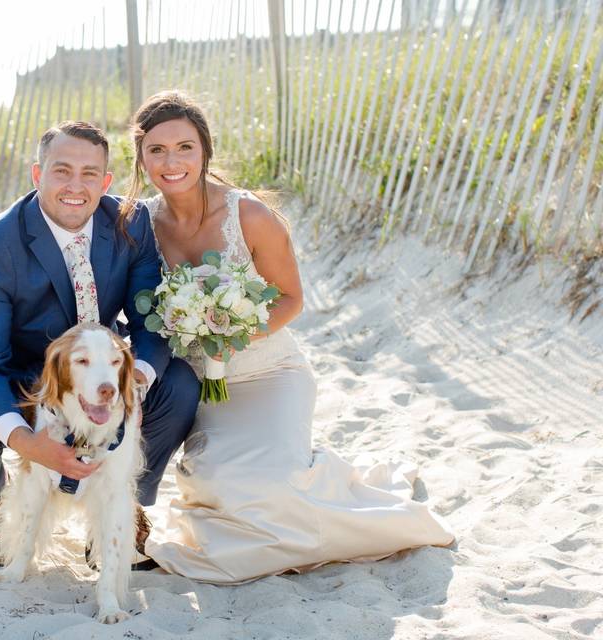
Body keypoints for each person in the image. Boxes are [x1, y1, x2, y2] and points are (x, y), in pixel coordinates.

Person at [120, 91, 454, 584]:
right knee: (220, 482)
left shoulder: (249, 215)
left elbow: (291, 299)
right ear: (142, 157)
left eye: (185, 147)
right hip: (198, 384)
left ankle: (347, 495)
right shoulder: (139, 223)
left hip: (268, 372)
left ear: (205, 150)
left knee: (274, 485)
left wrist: (231, 333)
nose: (172, 162)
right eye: (157, 150)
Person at [0, 121, 200, 556]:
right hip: (17, 372)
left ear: (105, 181)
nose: (76, 185)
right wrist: (29, 443)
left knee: (180, 385)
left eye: (90, 173)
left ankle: (123, 499)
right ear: (38, 175)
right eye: (62, 171)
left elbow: (151, 320)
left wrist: (136, 383)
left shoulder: (132, 222)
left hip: (96, 369)